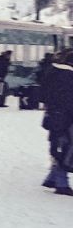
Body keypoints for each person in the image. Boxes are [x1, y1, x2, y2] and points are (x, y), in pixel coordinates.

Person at [40, 48, 73, 196]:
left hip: (53, 115)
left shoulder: (52, 72)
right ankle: (61, 183)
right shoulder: (68, 76)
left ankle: (52, 178)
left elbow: (43, 94)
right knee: (64, 148)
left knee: (58, 145)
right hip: (65, 117)